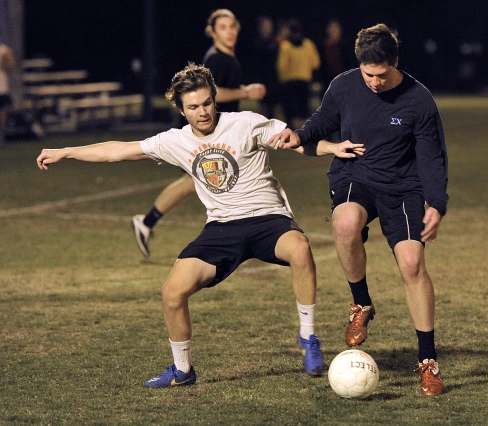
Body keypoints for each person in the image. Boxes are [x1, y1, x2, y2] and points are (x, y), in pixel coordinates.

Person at [36, 62, 325, 387]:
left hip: (267, 218)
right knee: (172, 293)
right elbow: (116, 152)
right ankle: (183, 370)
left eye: (206, 103)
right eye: (193, 107)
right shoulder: (174, 140)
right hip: (222, 228)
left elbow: (297, 141)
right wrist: (66, 151)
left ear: (214, 99)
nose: (202, 112)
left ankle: (308, 337)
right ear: (181, 109)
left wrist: (334, 148)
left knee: (300, 249)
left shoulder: (246, 122)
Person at [267, 23, 449, 396]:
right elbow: (322, 121)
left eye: (381, 74)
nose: (374, 82)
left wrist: (437, 204)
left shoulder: (419, 99)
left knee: (413, 264)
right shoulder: (345, 85)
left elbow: (432, 158)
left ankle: (428, 361)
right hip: (356, 173)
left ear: (394, 62)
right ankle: (361, 303)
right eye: (368, 74)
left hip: (403, 186)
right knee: (346, 222)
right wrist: (300, 134)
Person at [131, 9, 266, 258]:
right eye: (223, 27)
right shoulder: (216, 59)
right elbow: (212, 95)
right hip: (207, 132)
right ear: (213, 32)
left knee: (201, 182)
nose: (230, 31)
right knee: (197, 181)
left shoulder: (227, 58)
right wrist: (246, 93)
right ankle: (149, 222)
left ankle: (148, 222)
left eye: (232, 26)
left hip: (221, 134)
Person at [276, 19, 320, 130]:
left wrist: (282, 80)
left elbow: (282, 67)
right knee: (304, 111)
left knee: (292, 112)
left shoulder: (285, 46)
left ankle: (293, 135)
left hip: (290, 84)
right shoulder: (308, 44)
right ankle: (303, 135)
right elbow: (315, 63)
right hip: (305, 83)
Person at [0, 39, 16, 146]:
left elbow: (11, 66)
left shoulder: (3, 49)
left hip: (2, 88)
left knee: (2, 115)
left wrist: (6, 58)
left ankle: (1, 137)